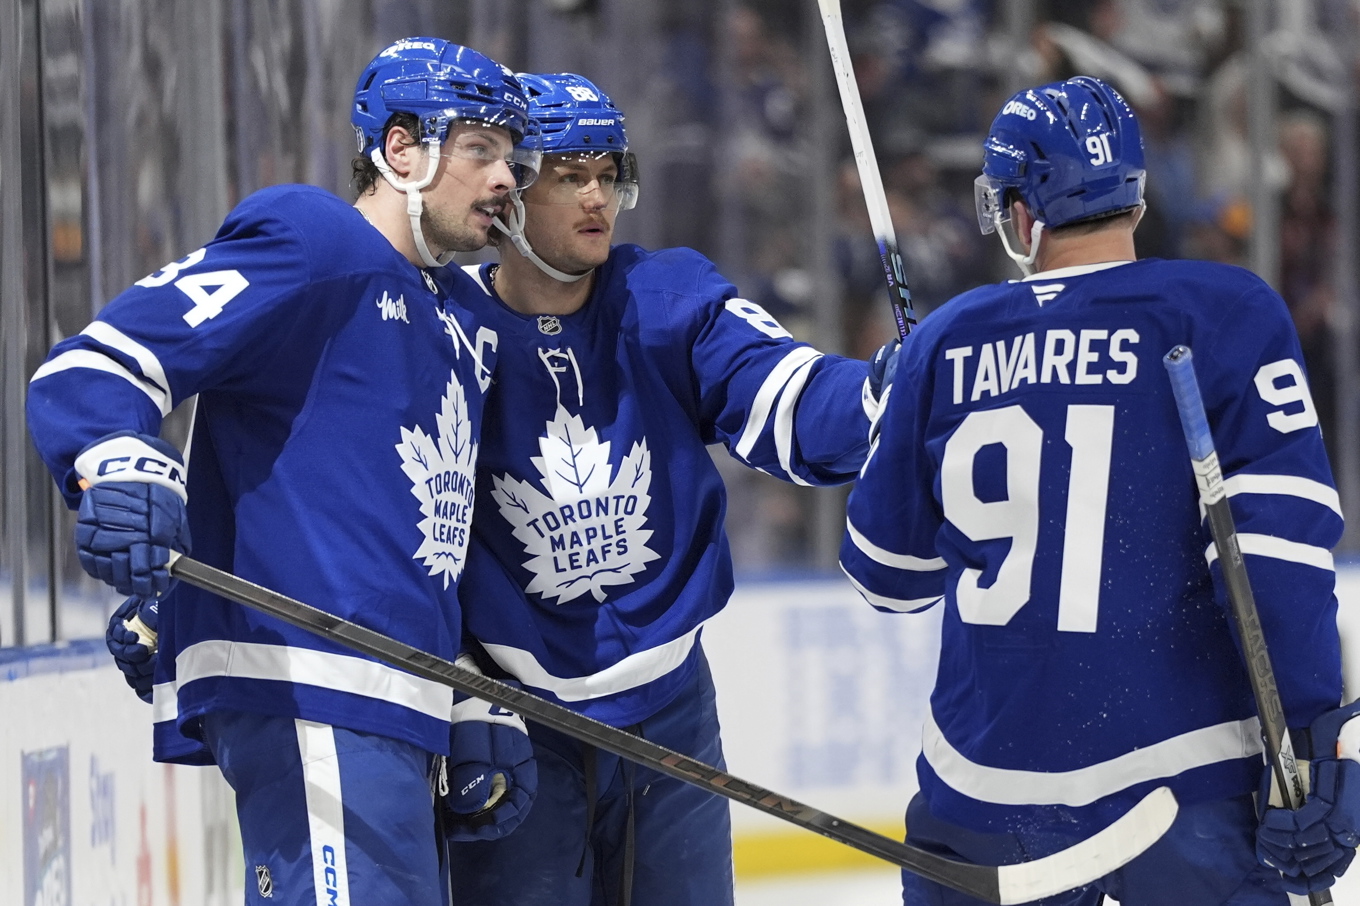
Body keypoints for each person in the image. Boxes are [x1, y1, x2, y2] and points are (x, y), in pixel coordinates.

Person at [27, 37, 543, 905]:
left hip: (393, 705)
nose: (506, 179)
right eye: (480, 149)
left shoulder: (463, 318)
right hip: (313, 685)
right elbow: (100, 362)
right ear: (402, 149)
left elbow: (408, 532)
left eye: (512, 158)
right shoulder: (314, 242)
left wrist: (463, 686)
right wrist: (115, 455)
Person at [839, 75, 1359, 905]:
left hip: (985, 791)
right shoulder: (1223, 310)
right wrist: (1314, 733)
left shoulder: (945, 339)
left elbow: (887, 577)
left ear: (1018, 215)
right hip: (1184, 784)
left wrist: (898, 409)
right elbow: (1274, 556)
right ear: (1137, 198)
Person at [442, 72, 895, 905]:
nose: (597, 198)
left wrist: (876, 397)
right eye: (569, 176)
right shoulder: (445, 329)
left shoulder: (663, 300)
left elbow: (781, 390)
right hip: (513, 718)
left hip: (672, 714)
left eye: (607, 175)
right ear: (506, 191)